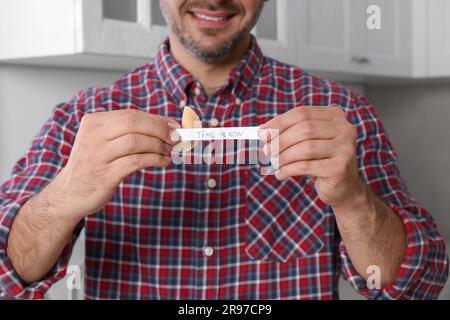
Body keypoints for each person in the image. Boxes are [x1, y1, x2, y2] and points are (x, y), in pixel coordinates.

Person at [0, 0, 447, 300]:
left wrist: (352, 199)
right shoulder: (84, 118)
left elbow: (418, 286)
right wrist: (65, 197)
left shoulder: (340, 115)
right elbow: (6, 278)